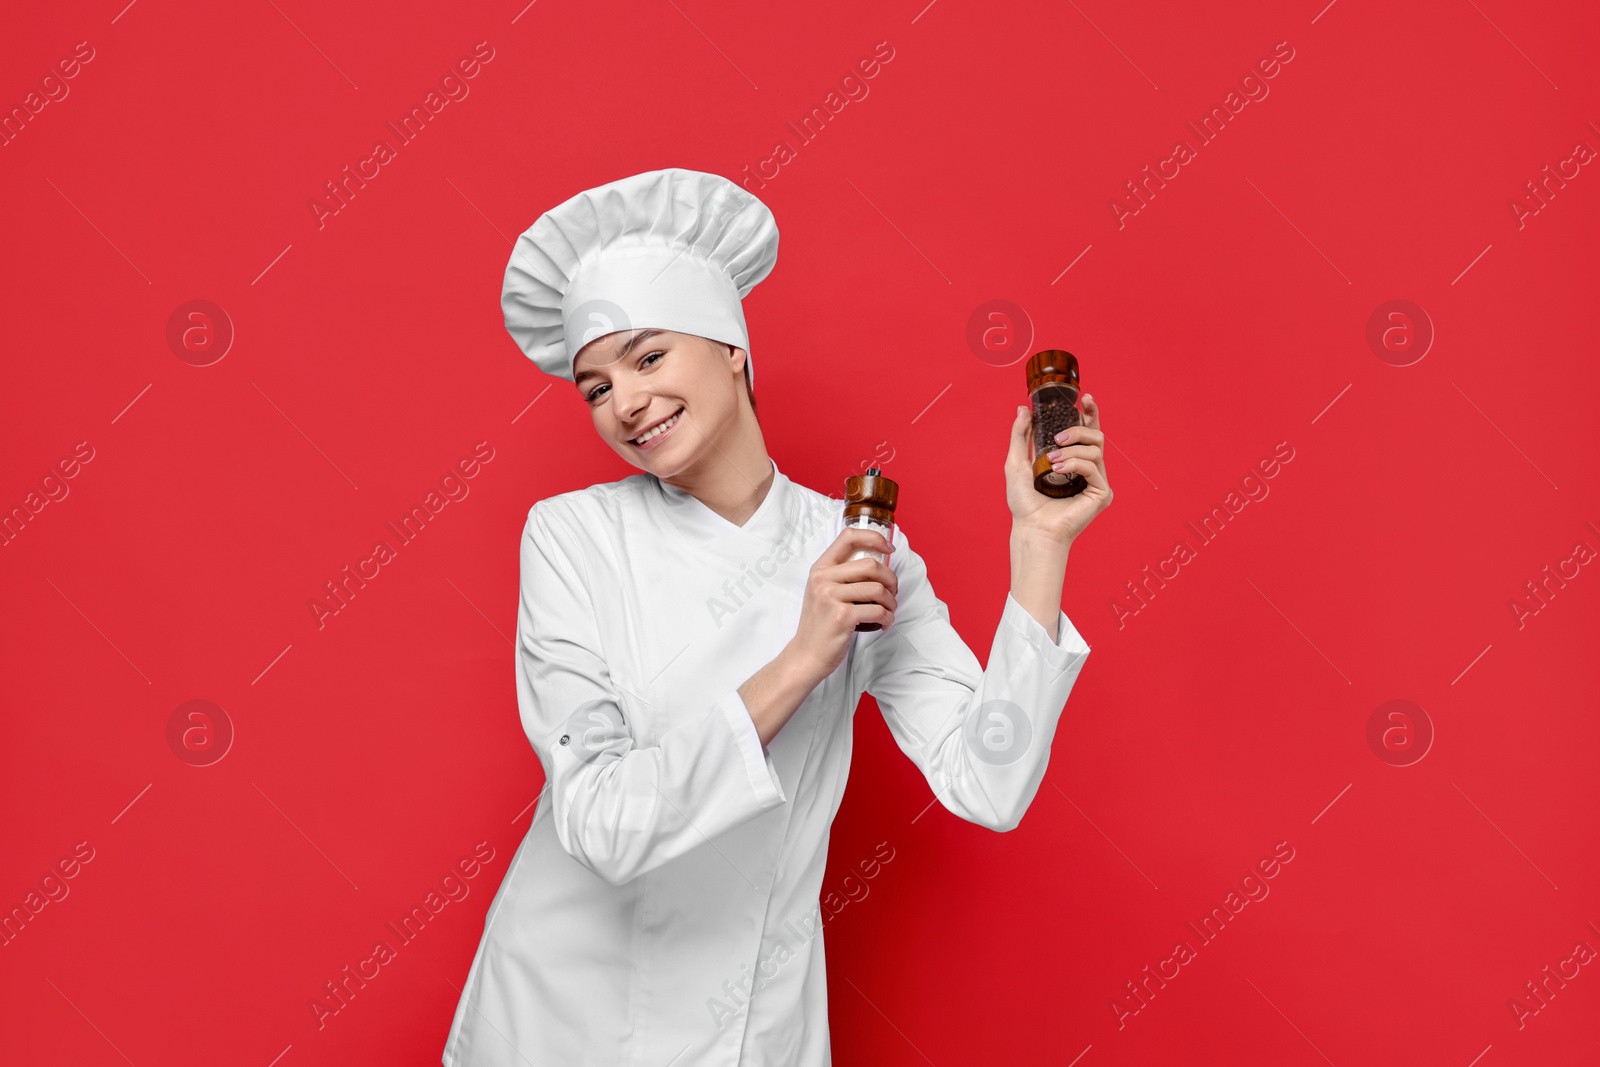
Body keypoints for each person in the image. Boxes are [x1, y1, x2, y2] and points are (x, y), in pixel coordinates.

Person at [442, 167, 1112, 1066]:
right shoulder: (573, 537)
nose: (626, 403)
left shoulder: (861, 551)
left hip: (752, 1025)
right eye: (595, 386)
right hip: (564, 1019)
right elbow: (601, 823)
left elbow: (985, 784)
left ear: (732, 349)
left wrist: (1040, 546)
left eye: (647, 358)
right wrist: (802, 658)